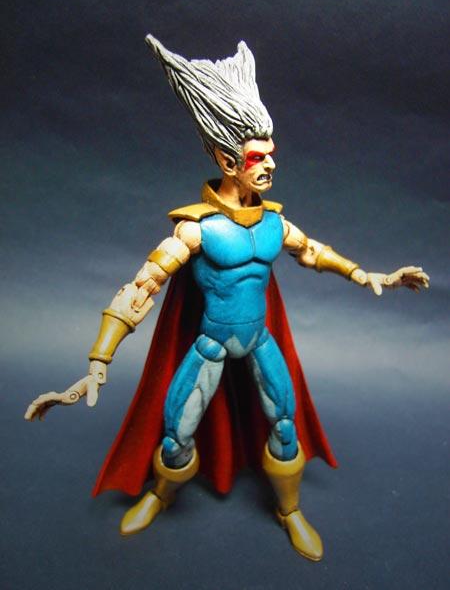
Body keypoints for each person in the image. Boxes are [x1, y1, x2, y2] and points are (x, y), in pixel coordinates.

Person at [25, 36, 429, 562]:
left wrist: (367, 274)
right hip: (211, 345)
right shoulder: (197, 231)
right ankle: (160, 493)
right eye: (257, 156)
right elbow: (140, 288)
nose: (269, 165)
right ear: (226, 157)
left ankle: (289, 509)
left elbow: (313, 252)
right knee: (176, 433)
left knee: (285, 424)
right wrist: (98, 361)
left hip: (259, 340)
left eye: (271, 154)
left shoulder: (274, 223)